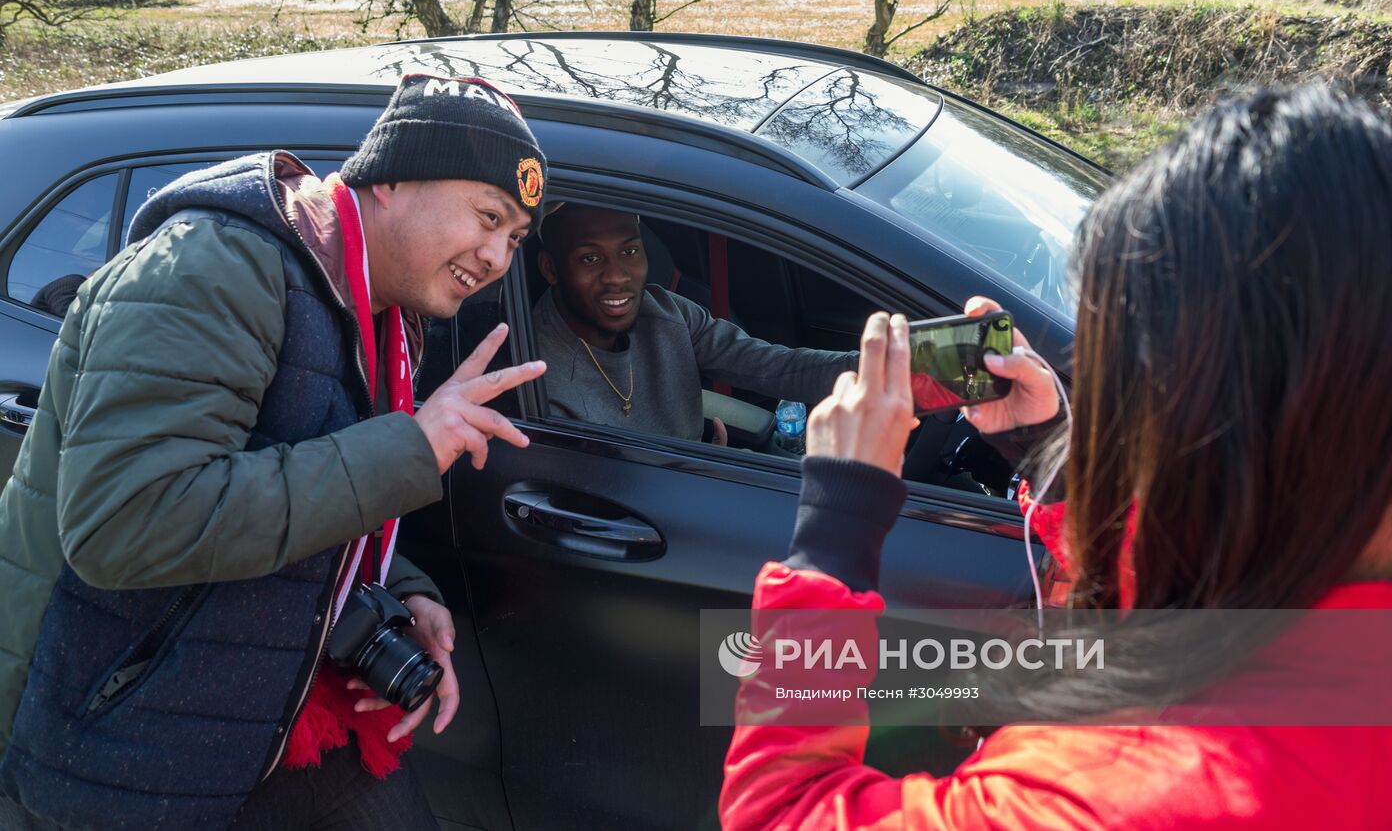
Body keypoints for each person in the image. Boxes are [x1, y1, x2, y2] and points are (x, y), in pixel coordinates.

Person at [720, 86, 1392, 828]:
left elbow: (780, 811)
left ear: (1211, 416)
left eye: (1125, 376)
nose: (1115, 409)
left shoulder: (1121, 788)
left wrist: (836, 525)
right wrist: (1055, 460)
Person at [0, 73, 552, 830]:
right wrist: (410, 447)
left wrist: (406, 586)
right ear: (390, 176)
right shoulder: (215, 266)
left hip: (269, 694)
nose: (497, 257)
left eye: (516, 238)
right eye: (488, 216)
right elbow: (126, 523)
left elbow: (294, 457)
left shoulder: (379, 306)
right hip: (124, 725)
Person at [533, 204, 856, 444]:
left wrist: (879, 366)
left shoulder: (664, 311)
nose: (617, 276)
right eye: (591, 258)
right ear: (550, 268)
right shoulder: (540, 377)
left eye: (630, 251)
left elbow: (772, 366)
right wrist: (705, 471)